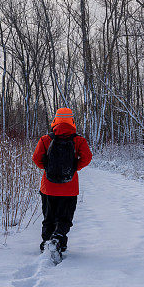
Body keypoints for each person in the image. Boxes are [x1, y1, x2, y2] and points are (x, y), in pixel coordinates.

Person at [32, 108, 92, 254]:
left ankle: (46, 242)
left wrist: (47, 168)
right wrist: (74, 168)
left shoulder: (46, 139)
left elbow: (36, 158)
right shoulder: (79, 140)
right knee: (65, 217)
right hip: (69, 188)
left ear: (55, 120)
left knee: (49, 217)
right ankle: (59, 240)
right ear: (72, 121)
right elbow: (87, 158)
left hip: (48, 187)